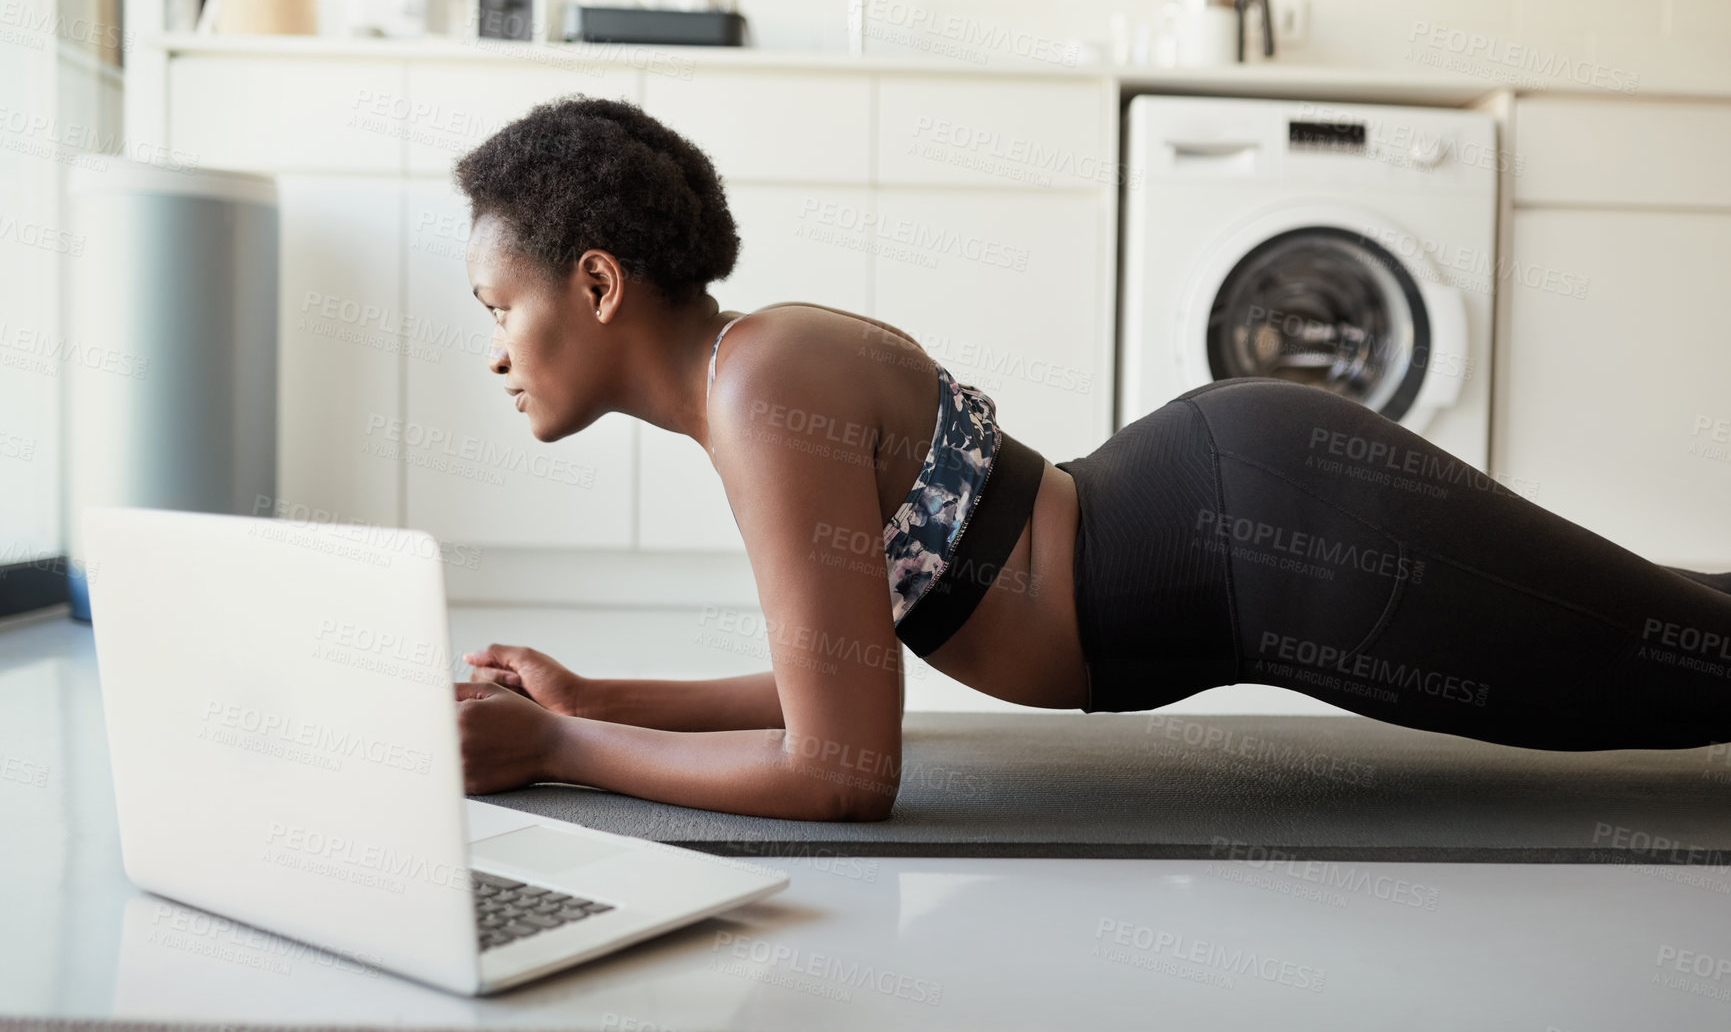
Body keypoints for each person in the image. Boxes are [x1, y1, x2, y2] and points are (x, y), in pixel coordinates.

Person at [450, 96, 1731, 822]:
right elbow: (834, 674)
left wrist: (559, 753)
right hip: (1247, 510)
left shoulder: (764, 389)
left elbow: (841, 773)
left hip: (1277, 536)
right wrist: (592, 700)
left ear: (600, 283)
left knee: (1690, 671)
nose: (499, 355)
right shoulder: (756, 372)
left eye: (500, 309)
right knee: (1670, 634)